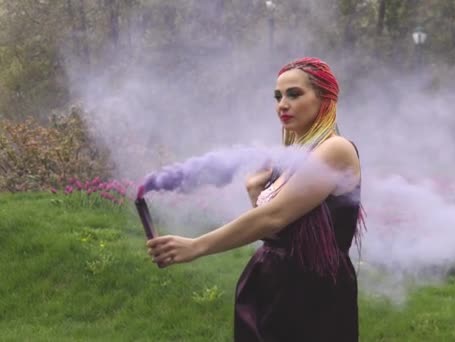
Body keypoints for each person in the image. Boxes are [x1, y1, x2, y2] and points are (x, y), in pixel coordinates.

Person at [147, 57, 364, 341]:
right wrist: (254, 192)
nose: (282, 104)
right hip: (271, 283)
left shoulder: (336, 149)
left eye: (294, 94)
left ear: (325, 98)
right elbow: (280, 230)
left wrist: (196, 246)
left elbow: (273, 217)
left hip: (312, 293)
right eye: (278, 96)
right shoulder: (291, 155)